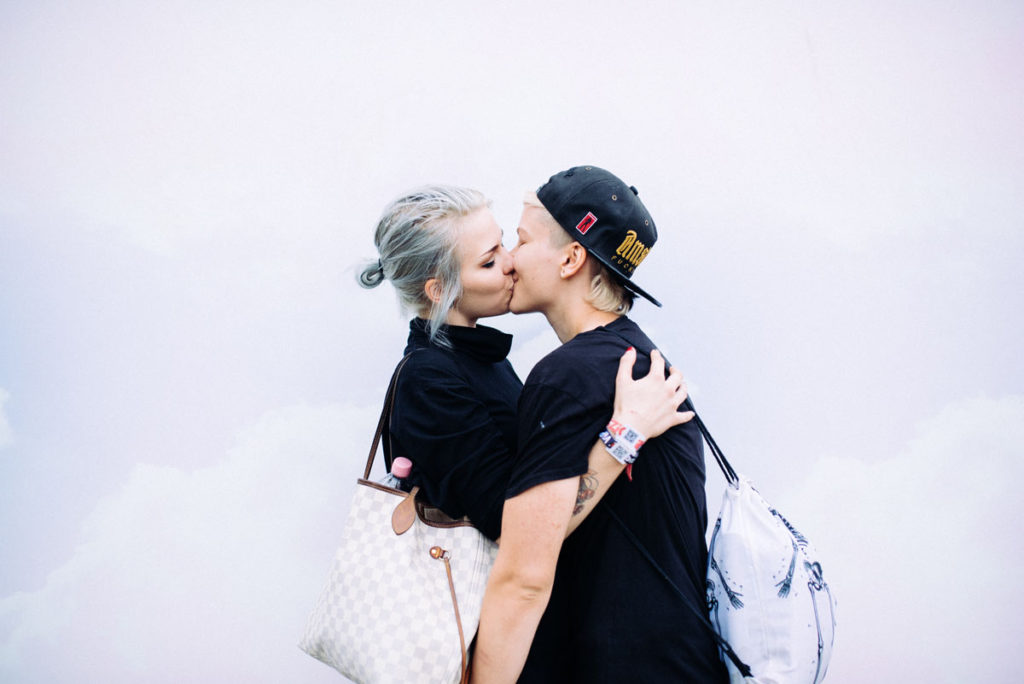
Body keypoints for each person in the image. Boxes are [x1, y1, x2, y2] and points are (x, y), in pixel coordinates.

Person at [472, 166, 728, 682]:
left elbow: (523, 576)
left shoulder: (572, 374)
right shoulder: (634, 359)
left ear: (571, 259)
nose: (510, 259)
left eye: (521, 240)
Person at [357, 185, 694, 545]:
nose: (510, 263)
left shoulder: (478, 358)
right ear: (439, 291)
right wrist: (625, 434)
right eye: (488, 262)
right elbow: (507, 525)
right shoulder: (429, 379)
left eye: (504, 244)